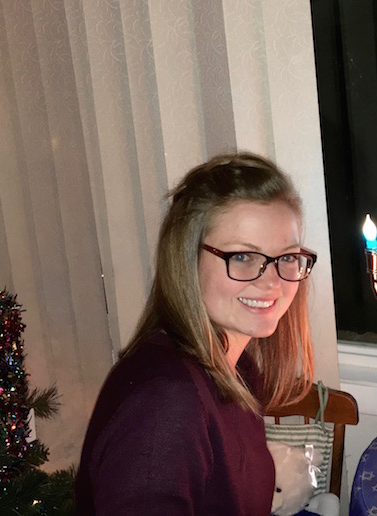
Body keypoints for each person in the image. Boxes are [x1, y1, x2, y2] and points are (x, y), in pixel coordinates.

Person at [75, 152, 316, 514]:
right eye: (242, 257)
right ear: (187, 260)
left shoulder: (240, 369)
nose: (272, 282)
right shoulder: (165, 403)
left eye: (286, 257)